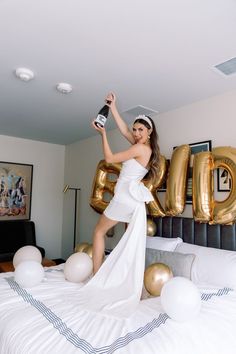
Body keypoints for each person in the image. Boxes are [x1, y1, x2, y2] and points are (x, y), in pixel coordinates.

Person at [92, 92, 160, 274]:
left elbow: (109, 158)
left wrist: (103, 133)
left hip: (123, 198)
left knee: (99, 232)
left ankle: (96, 275)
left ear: (149, 132)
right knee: (128, 244)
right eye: (135, 129)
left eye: (141, 130)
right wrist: (113, 106)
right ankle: (123, 278)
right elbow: (124, 130)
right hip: (133, 200)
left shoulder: (139, 148)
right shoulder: (147, 149)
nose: (136, 133)